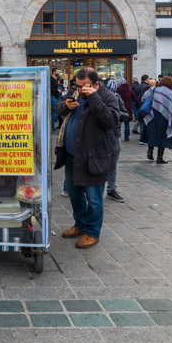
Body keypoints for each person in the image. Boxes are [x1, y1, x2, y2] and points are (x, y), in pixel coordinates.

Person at [54, 67, 120, 248]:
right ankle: (80, 224)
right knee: (74, 194)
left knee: (94, 198)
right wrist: (65, 106)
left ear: (96, 84)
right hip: (72, 155)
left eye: (85, 86)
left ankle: (92, 232)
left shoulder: (107, 97)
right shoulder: (75, 92)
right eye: (78, 85)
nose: (81, 90)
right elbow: (58, 106)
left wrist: (94, 97)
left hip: (94, 156)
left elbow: (110, 120)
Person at [141, 76, 172, 163]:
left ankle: (150, 152)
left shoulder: (153, 89)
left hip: (152, 115)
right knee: (163, 136)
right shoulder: (171, 93)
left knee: (152, 134)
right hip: (164, 117)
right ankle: (159, 157)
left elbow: (143, 98)